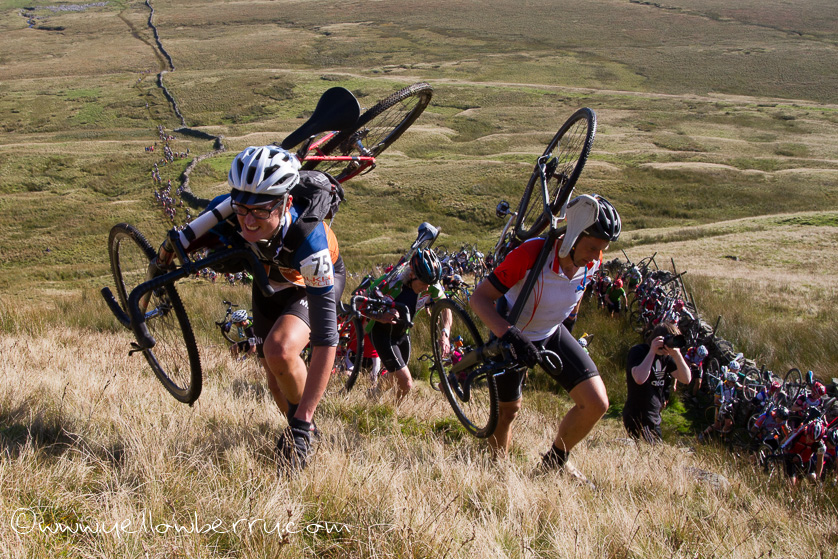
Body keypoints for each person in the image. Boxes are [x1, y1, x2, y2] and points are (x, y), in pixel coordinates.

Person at [156, 145, 345, 473]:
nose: (248, 219)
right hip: (269, 280)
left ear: (286, 203)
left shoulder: (311, 243)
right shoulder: (227, 209)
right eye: (241, 208)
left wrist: (303, 419)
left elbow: (327, 340)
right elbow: (178, 242)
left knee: (279, 351)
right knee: (274, 379)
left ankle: (304, 428)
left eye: (259, 211)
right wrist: (160, 264)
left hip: (307, 282)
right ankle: (302, 431)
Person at [469, 194, 621, 485]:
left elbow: (576, 292)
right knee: (508, 411)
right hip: (512, 332)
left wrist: (571, 323)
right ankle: (497, 472)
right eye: (592, 247)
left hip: (551, 332)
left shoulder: (592, 260)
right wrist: (510, 335)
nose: (595, 256)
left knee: (597, 403)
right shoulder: (532, 254)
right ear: (573, 236)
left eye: (602, 249)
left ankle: (555, 462)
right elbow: (479, 299)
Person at [365, 248, 449, 400]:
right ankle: (391, 411)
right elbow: (360, 304)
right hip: (381, 332)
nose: (427, 288)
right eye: (424, 284)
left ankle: (373, 395)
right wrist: (381, 316)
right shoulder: (392, 281)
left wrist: (445, 333)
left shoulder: (431, 283)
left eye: (430, 284)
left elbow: (446, 307)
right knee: (406, 383)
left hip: (403, 334)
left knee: (393, 376)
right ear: (411, 275)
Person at [623, 322, 691, 442]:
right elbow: (639, 379)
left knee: (652, 449)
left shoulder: (667, 358)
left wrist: (677, 355)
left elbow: (686, 379)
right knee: (651, 448)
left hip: (653, 413)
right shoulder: (638, 351)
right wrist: (652, 352)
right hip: (637, 412)